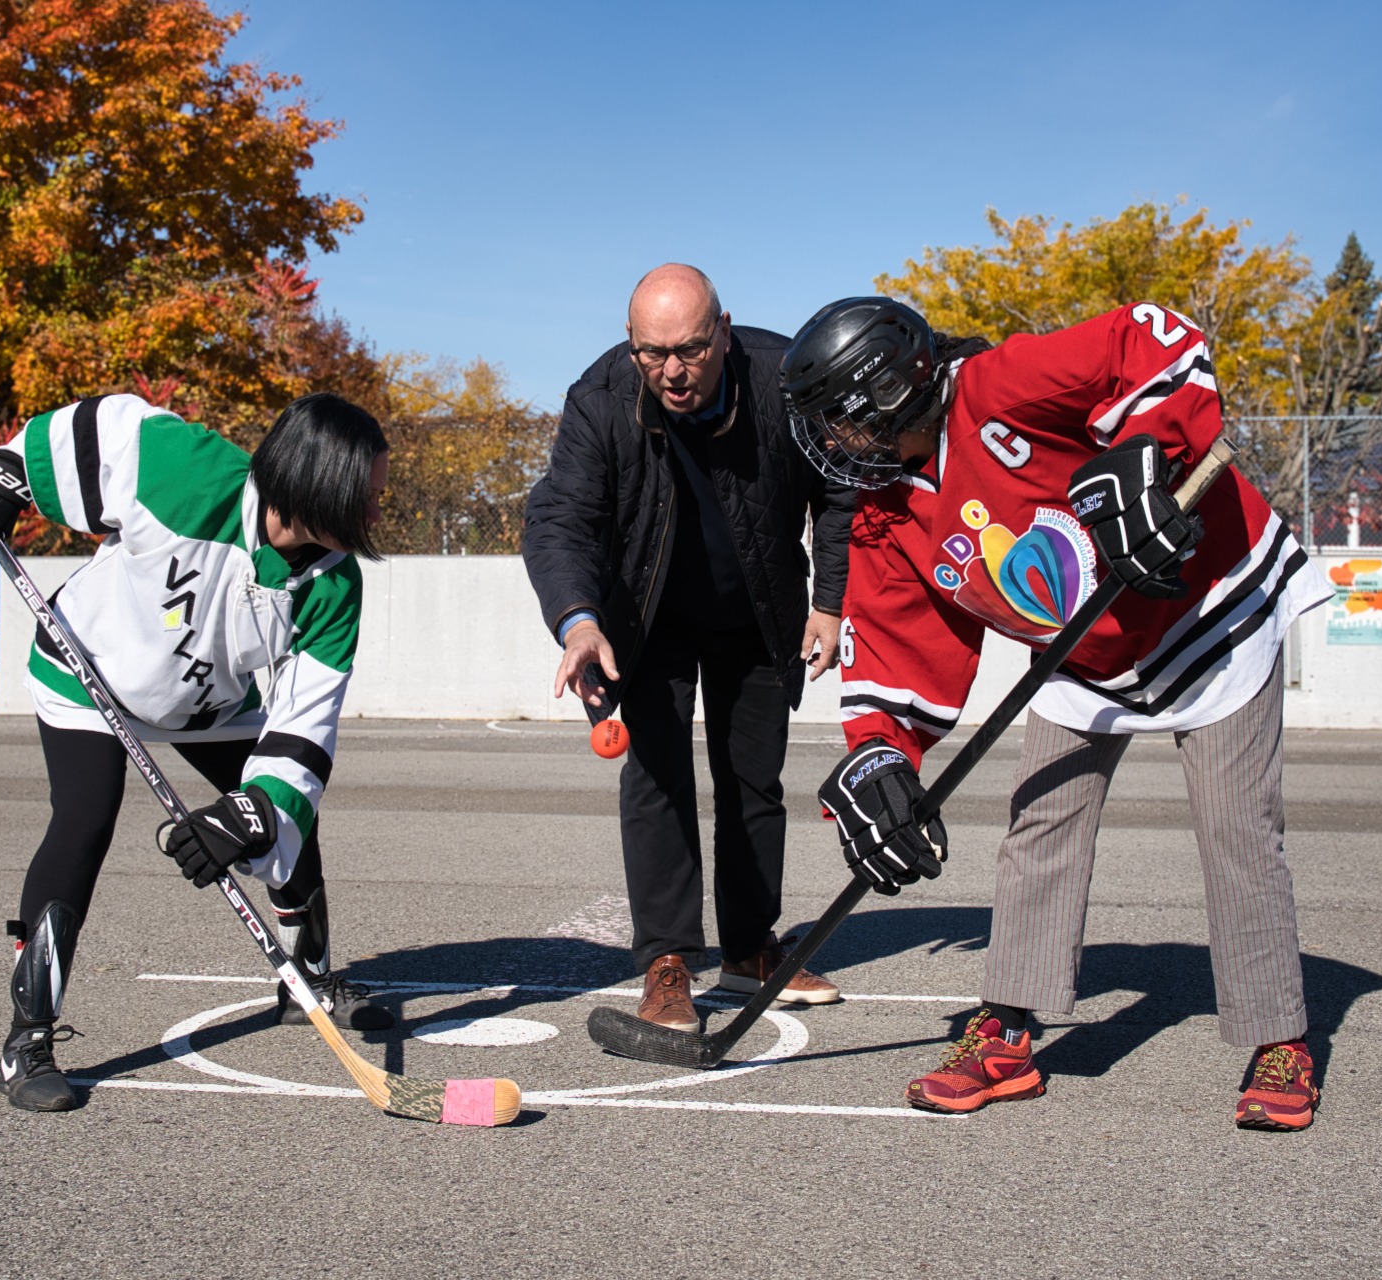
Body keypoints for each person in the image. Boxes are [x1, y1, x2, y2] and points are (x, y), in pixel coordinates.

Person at [785, 297, 1331, 1131]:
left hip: (1213, 607)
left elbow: (1147, 337)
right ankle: (1006, 1024)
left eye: (843, 425)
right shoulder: (885, 514)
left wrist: (1148, 448)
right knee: (1039, 823)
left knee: (1237, 829)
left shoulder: (997, 386)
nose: (835, 446)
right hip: (1084, 647)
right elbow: (900, 644)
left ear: (891, 395)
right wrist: (881, 754)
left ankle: (1278, 1038)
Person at [0, 391, 391, 1112]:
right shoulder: (185, 470)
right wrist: (2, 473)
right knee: (83, 822)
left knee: (288, 824)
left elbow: (305, 729)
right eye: (364, 496)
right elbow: (92, 430)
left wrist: (251, 816)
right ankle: (27, 1041)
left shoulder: (335, 585)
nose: (373, 515)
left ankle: (306, 976)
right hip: (88, 674)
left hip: (211, 707)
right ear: (315, 480)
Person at [523, 264, 856, 1031]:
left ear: (725, 329)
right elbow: (560, 519)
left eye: (691, 349)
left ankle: (749, 950)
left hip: (757, 610)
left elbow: (838, 493)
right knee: (657, 781)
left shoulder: (784, 379)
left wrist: (830, 603)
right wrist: (578, 620)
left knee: (753, 782)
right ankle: (667, 962)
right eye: (651, 352)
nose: (671, 371)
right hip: (643, 617)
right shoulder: (600, 398)